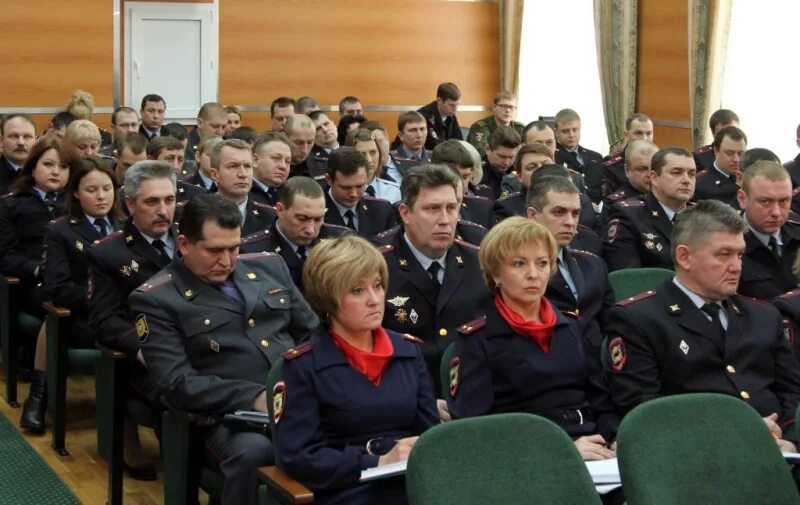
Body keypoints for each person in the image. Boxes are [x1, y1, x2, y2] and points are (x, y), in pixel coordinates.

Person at [130, 194, 318, 505]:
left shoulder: (270, 267)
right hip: (226, 416)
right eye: (215, 250)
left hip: (299, 398)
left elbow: (313, 335)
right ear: (185, 244)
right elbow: (176, 383)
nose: (228, 261)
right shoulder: (155, 298)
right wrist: (254, 397)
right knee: (256, 453)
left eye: (234, 248)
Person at [605, 200, 800, 452]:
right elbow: (644, 411)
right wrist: (742, 430)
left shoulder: (764, 316)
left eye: (739, 254)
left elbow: (792, 392)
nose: (736, 266)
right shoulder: (639, 319)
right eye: (723, 254)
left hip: (780, 454)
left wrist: (792, 441)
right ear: (685, 257)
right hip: (697, 458)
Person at [275, 235, 439, 505]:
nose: (375, 300)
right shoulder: (302, 365)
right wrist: (377, 460)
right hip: (347, 488)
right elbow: (301, 457)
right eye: (357, 291)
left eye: (377, 286)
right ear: (329, 299)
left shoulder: (408, 352)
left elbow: (430, 435)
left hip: (410, 482)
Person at [447, 217, 619, 458]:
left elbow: (601, 401)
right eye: (519, 264)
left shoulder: (572, 325)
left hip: (592, 448)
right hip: (527, 459)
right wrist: (561, 450)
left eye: (542, 263)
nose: (533, 274)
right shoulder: (477, 337)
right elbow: (475, 429)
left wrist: (616, 438)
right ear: (496, 274)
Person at [20, 157, 124, 433]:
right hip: (84, 316)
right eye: (92, 190)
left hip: (126, 314)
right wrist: (106, 300)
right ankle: (38, 397)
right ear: (76, 192)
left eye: (107, 188)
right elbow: (59, 290)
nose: (101, 196)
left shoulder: (128, 226)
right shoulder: (61, 230)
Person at [371, 164, 489, 391]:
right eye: (433, 209)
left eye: (451, 208)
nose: (445, 220)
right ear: (405, 213)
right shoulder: (376, 266)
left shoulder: (480, 262)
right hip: (404, 394)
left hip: (473, 390)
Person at [239, 176, 351, 287]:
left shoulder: (342, 241)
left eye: (318, 219)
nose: (310, 230)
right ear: (280, 210)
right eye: (302, 219)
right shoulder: (251, 252)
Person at [604, 147, 697, 271]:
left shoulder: (704, 216)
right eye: (676, 172)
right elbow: (628, 278)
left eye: (691, 174)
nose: (686, 180)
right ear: (654, 178)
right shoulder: (628, 215)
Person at [736, 161, 800, 299]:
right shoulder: (726, 243)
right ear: (742, 199)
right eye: (765, 202)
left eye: (784, 201)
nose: (776, 212)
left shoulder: (797, 232)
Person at [207, 139, 276, 234]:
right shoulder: (197, 214)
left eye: (247, 166)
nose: (243, 174)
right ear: (215, 174)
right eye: (233, 166)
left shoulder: (271, 216)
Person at [324, 147, 395, 238]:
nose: (353, 194)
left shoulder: (382, 211)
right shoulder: (315, 214)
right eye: (346, 187)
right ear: (329, 179)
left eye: (359, 186)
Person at [431, 139, 493, 229]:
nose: (462, 185)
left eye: (465, 177)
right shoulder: (419, 209)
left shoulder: (483, 209)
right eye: (454, 177)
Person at [599, 113, 655, 197]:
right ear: (626, 134)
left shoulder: (661, 161)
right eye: (638, 133)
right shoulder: (611, 166)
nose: (644, 138)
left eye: (648, 133)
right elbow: (610, 201)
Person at [693, 125, 747, 208]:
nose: (736, 159)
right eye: (729, 153)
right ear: (716, 151)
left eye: (740, 154)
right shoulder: (699, 184)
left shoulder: (750, 178)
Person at [145, 136, 207, 203]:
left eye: (180, 160)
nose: (175, 166)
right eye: (169, 159)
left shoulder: (198, 195)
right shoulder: (136, 192)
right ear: (151, 160)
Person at [349, 128, 401, 203]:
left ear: (379, 153)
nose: (369, 160)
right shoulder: (345, 192)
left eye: (373, 152)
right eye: (362, 154)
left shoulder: (393, 190)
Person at [602, 139, 656, 212]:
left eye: (654, 168)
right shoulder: (616, 204)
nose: (649, 175)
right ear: (627, 170)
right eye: (642, 169)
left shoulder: (668, 197)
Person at [466, 91, 524, 156]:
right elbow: (479, 152)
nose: (508, 110)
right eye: (504, 106)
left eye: (511, 107)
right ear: (494, 108)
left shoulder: (520, 128)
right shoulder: (481, 127)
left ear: (516, 110)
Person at [553, 108, 603, 179]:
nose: (571, 135)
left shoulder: (596, 157)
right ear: (556, 132)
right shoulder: (552, 158)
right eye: (565, 131)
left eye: (575, 130)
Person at [386, 112, 431, 183]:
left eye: (422, 129)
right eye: (413, 130)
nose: (419, 135)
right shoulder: (389, 160)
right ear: (401, 135)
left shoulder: (435, 157)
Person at [480, 126, 522, 200]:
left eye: (511, 157)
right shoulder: (476, 175)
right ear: (488, 149)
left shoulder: (520, 172)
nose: (506, 162)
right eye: (502, 156)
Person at [417, 82, 463, 149]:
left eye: (457, 104)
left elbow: (460, 143)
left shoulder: (451, 116)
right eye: (451, 105)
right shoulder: (422, 117)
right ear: (439, 100)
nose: (455, 109)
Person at [249, 132, 290, 206]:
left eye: (288, 161)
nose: (283, 166)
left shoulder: (289, 194)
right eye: (276, 158)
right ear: (255, 160)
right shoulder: (241, 193)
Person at [0, 114, 37, 194]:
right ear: (1, 141)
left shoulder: (44, 174)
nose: (21, 142)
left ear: (36, 141)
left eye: (27, 136)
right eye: (14, 136)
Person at [286, 114, 322, 179]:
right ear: (285, 138)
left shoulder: (323, 167)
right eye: (298, 143)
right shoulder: (274, 171)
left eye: (310, 143)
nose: (304, 150)